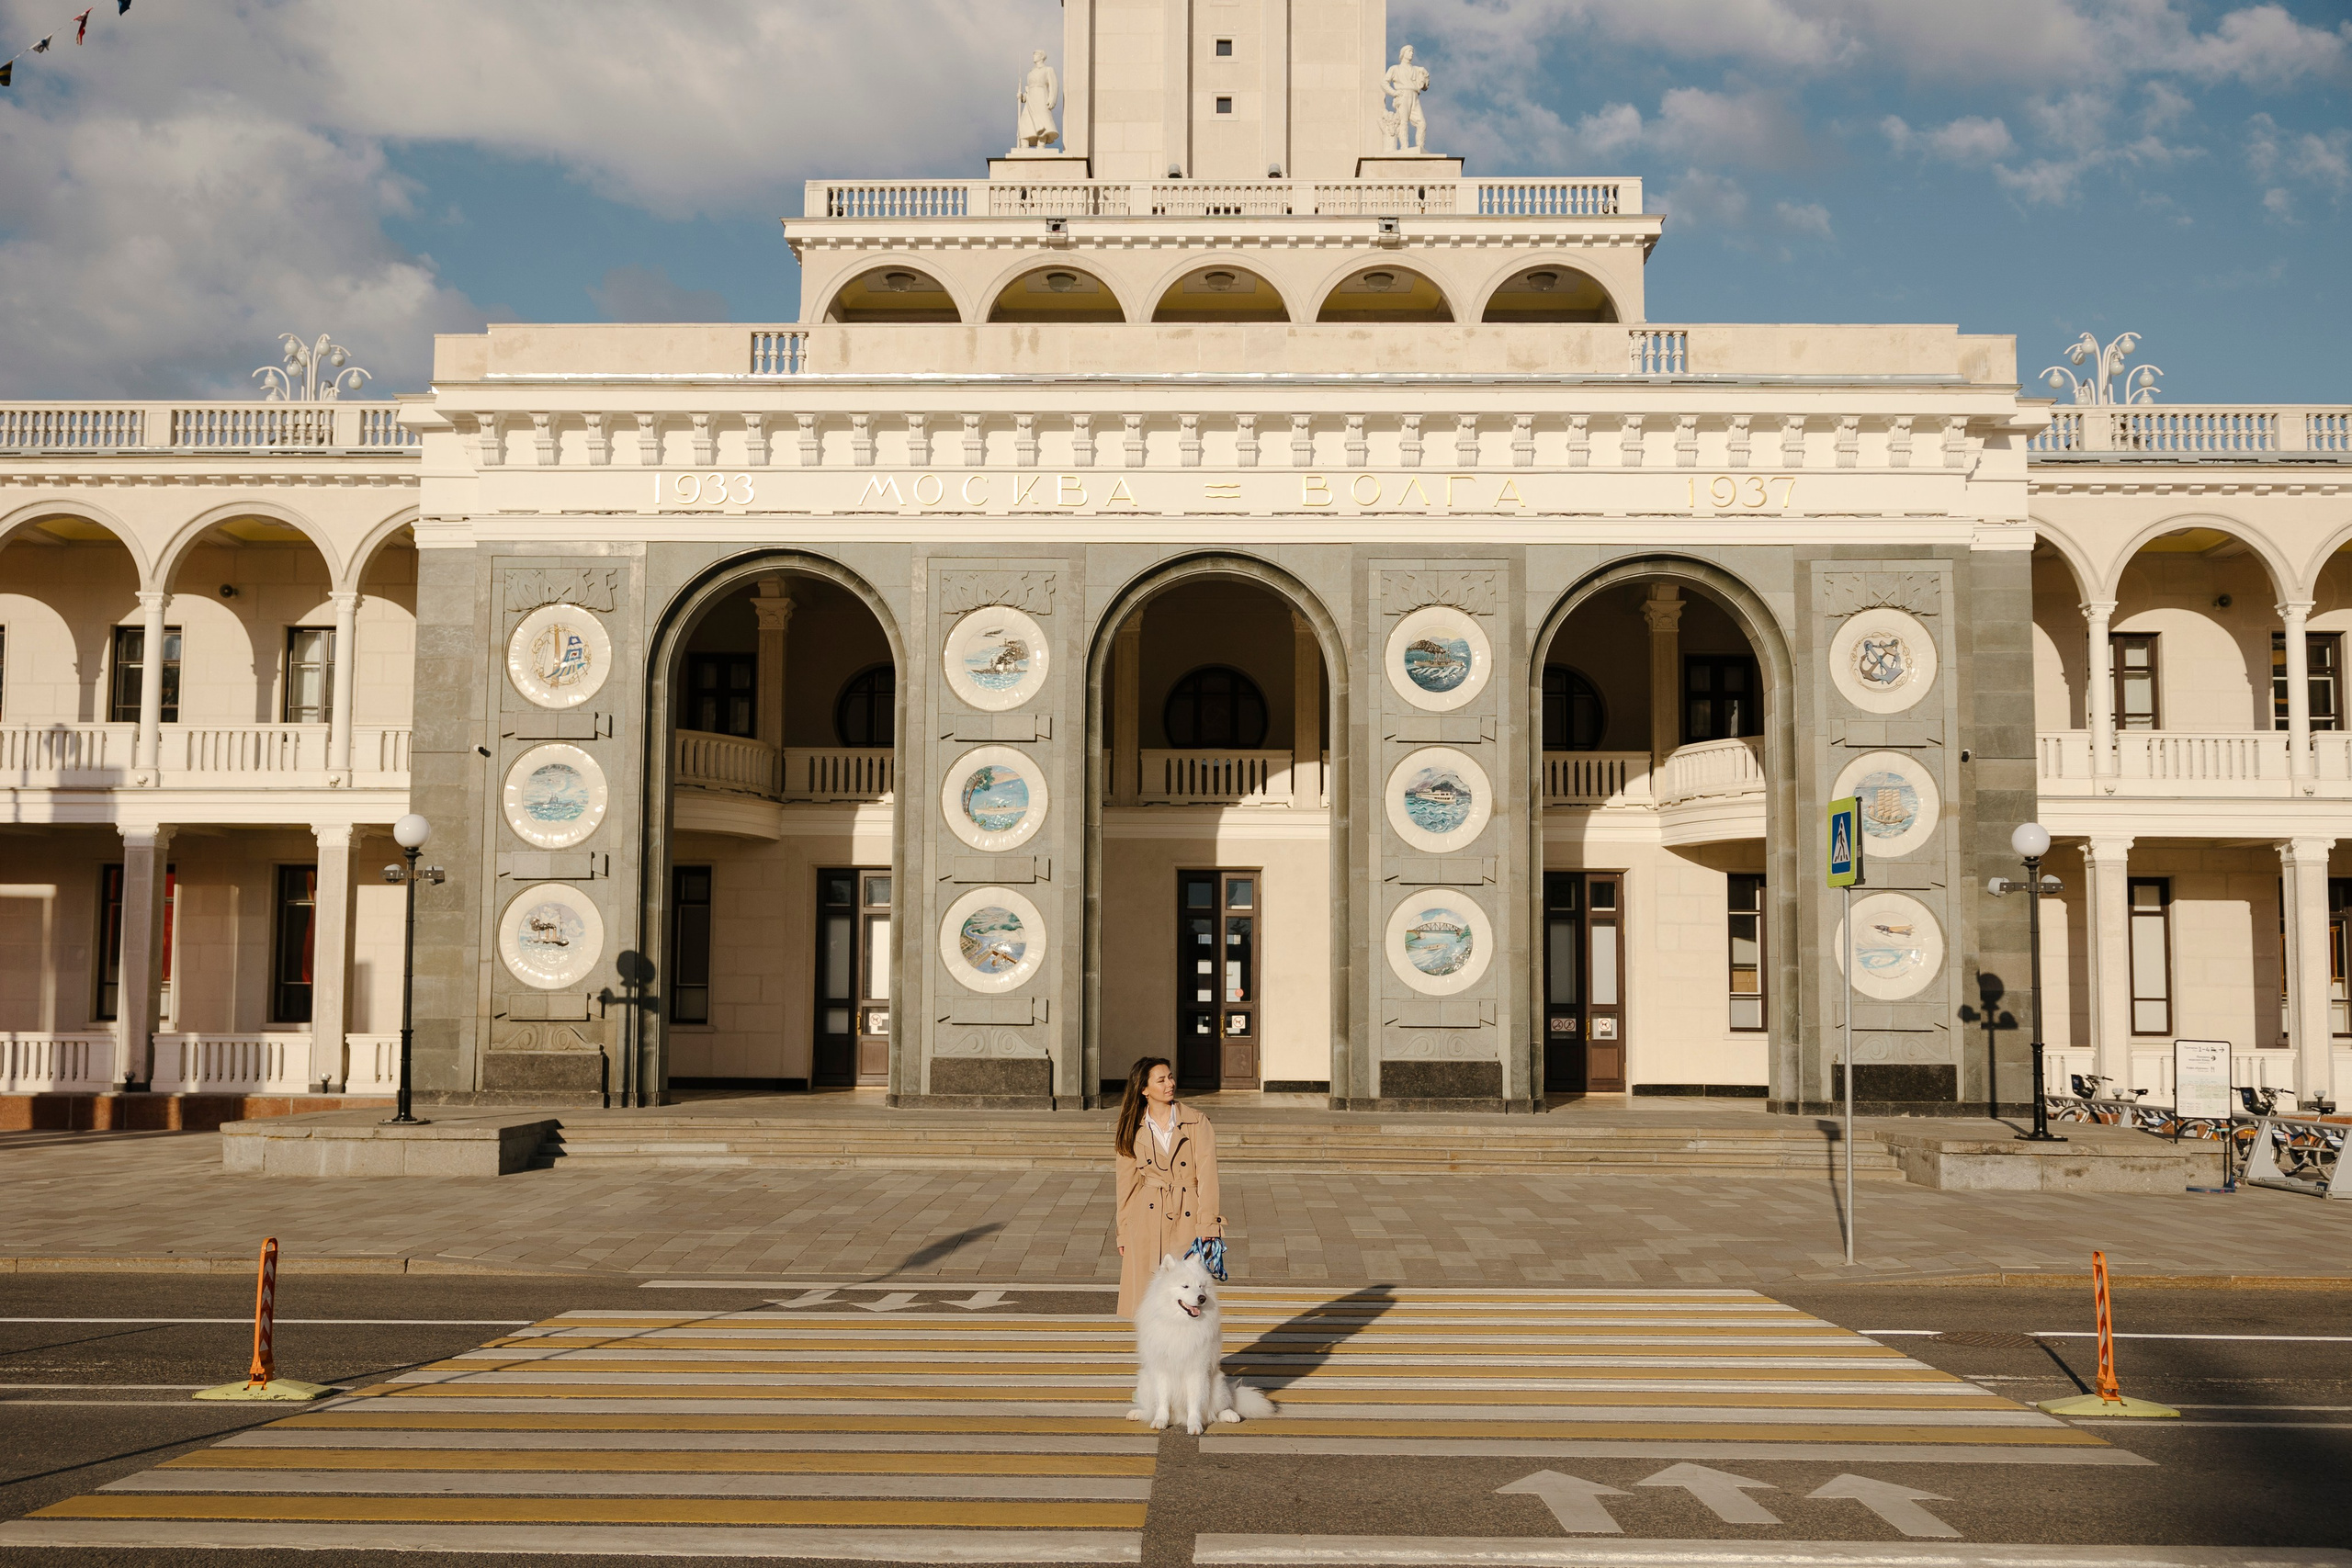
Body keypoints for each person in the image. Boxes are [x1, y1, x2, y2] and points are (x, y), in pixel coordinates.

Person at [1113, 1056, 1222, 1319]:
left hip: (1187, 1212)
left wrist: (1208, 1224)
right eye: (1161, 1080)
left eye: (1170, 1077)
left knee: (1189, 1295)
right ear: (1144, 1089)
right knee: (1148, 1301)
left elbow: (1208, 1176)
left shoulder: (1197, 1122)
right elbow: (1126, 1186)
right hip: (1146, 1219)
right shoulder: (1132, 1127)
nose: (1169, 1083)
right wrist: (1124, 1232)